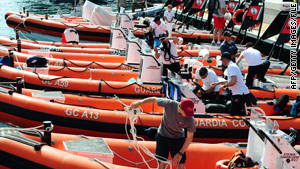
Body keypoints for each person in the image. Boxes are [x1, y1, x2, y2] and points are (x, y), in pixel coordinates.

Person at [129, 97, 196, 169]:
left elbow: (189, 138)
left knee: (180, 165)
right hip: (162, 136)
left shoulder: (190, 119)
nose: (187, 115)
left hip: (177, 139)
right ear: (180, 107)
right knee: (162, 164)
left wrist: (180, 153)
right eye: (186, 112)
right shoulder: (169, 104)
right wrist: (139, 103)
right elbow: (154, 99)